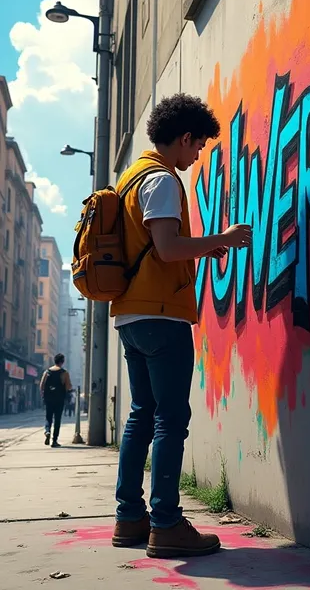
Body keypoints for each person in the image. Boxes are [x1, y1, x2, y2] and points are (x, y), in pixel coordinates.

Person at [111, 94, 252, 559]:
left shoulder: (132, 176)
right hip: (162, 315)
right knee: (171, 419)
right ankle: (167, 523)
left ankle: (130, 517)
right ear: (184, 138)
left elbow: (159, 246)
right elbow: (169, 250)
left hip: (131, 314)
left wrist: (201, 247)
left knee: (141, 416)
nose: (196, 158)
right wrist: (225, 238)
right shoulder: (164, 181)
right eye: (197, 148)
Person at [40, 354, 73, 447]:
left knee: (48, 417)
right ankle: (54, 441)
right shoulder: (64, 373)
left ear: (54, 361)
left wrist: (44, 395)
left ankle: (47, 431)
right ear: (62, 361)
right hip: (59, 399)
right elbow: (68, 386)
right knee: (57, 419)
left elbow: (42, 385)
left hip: (48, 399)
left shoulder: (47, 372)